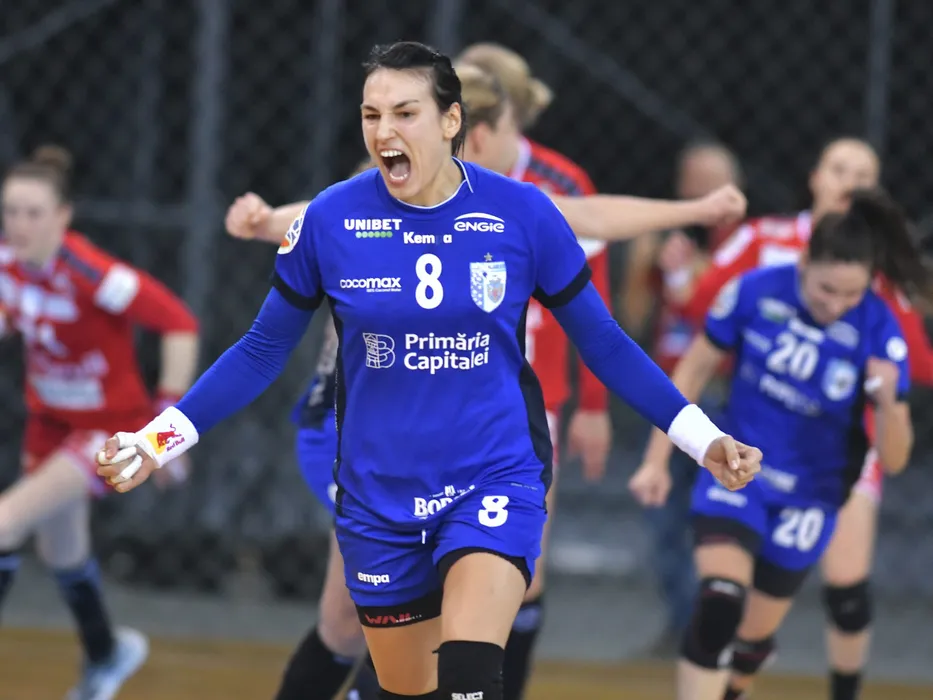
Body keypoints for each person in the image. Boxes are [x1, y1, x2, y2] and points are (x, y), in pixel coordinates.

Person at [97, 41, 761, 700]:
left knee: (469, 674)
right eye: (371, 114)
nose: (384, 130)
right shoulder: (331, 218)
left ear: (451, 122)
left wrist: (701, 439)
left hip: (492, 473)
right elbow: (259, 351)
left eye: (405, 113)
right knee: (404, 686)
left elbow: (607, 345)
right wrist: (155, 441)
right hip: (378, 491)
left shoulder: (523, 213)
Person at [630, 188, 922, 700]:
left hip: (811, 497)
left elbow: (895, 460)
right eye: (826, 289)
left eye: (851, 295)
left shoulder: (879, 327)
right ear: (804, 262)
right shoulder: (756, 291)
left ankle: (743, 667)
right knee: (719, 607)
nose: (836, 305)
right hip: (740, 470)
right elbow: (691, 371)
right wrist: (655, 460)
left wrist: (889, 404)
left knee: (749, 641)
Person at [0, 145, 200, 700]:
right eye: (10, 211)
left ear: (63, 216)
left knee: (4, 523)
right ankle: (107, 654)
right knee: (61, 551)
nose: (19, 224)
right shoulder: (8, 266)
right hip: (49, 426)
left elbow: (179, 323)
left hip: (110, 432)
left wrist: (164, 432)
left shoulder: (91, 273)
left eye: (33, 213)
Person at [227, 159, 379, 700]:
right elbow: (319, 215)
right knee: (409, 608)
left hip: (416, 448)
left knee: (344, 624)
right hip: (344, 441)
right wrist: (264, 218)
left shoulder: (472, 221)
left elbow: (572, 217)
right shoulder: (357, 227)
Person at [621, 140, 745, 658]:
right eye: (692, 181)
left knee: (719, 519)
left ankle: (723, 631)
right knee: (664, 519)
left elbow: (718, 311)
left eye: (711, 182)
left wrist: (693, 272)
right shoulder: (665, 239)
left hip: (724, 396)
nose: (700, 192)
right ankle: (683, 625)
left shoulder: (744, 247)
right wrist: (643, 264)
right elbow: (631, 319)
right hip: (666, 396)